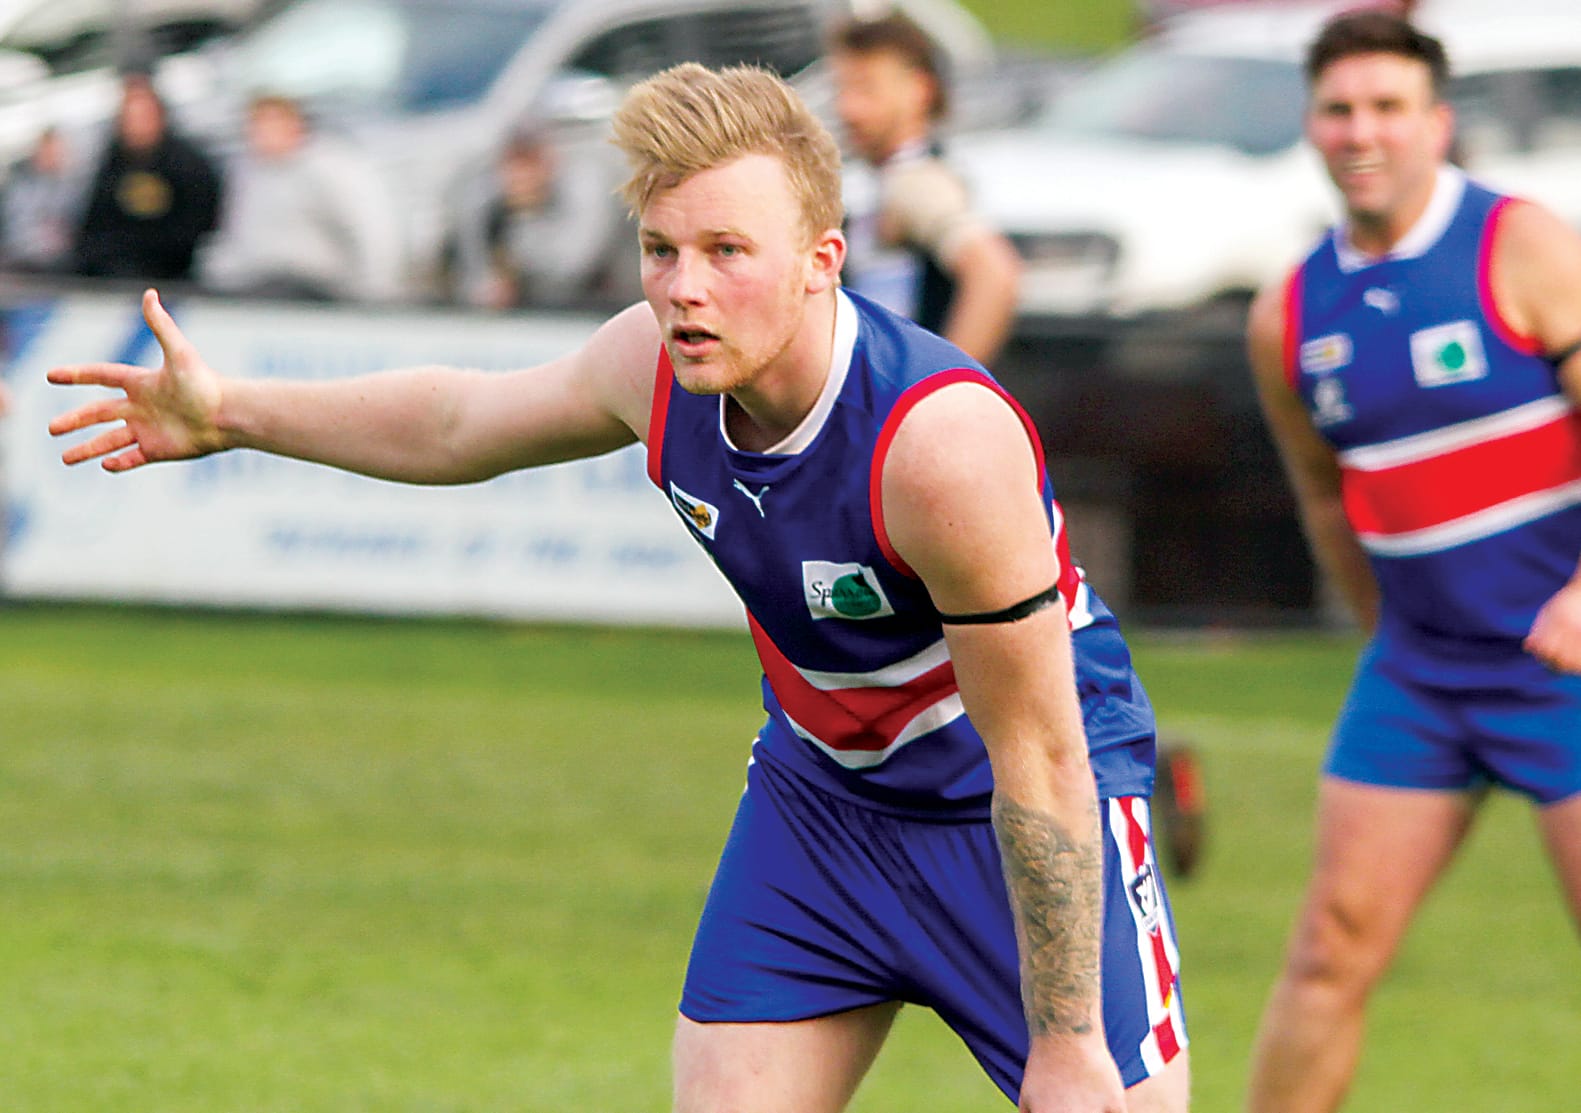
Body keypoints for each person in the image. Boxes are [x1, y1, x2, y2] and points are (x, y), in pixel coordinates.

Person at [47, 63, 1189, 1112]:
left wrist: (1070, 1039)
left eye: (727, 252)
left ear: (820, 262)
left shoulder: (937, 447)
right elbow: (458, 421)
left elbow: (1038, 756)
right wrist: (232, 411)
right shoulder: (653, 364)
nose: (683, 290)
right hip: (824, 808)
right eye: (660, 249)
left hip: (1021, 806)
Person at [1244, 11, 1581, 1111]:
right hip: (1424, 674)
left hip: (1566, 669)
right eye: (1340, 109)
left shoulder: (1522, 244)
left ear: (1439, 124)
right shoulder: (1287, 312)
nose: (1362, 131)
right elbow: (1322, 497)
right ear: (1311, 125)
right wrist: (1388, 634)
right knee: (1329, 948)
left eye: (1388, 106)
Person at [829, 11, 1022, 367]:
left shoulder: (917, 182)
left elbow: (994, 274)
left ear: (920, 89)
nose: (847, 108)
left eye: (866, 88)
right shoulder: (880, 181)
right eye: (842, 89)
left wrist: (945, 387)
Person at [200, 94, 403, 302]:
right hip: (256, 281)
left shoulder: (332, 168)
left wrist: (374, 291)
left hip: (318, 286)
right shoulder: (246, 172)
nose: (264, 135)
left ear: (296, 125)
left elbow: (370, 228)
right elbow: (236, 235)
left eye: (273, 124)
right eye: (257, 127)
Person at [447, 125, 625, 310]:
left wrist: (518, 267)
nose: (522, 178)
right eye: (514, 167)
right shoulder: (485, 204)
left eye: (530, 166)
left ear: (549, 165)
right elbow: (474, 272)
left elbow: (575, 264)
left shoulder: (584, 190)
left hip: (591, 303)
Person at [72, 71, 223, 282]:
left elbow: (196, 228)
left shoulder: (188, 165)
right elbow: (94, 223)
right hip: (113, 271)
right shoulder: (111, 163)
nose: (135, 125)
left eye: (142, 116)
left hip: (171, 274)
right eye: (129, 117)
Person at [0, 127, 83, 273]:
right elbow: (14, 230)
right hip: (18, 265)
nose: (51, 156)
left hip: (61, 268)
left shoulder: (76, 190)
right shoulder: (19, 188)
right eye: (47, 151)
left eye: (55, 152)